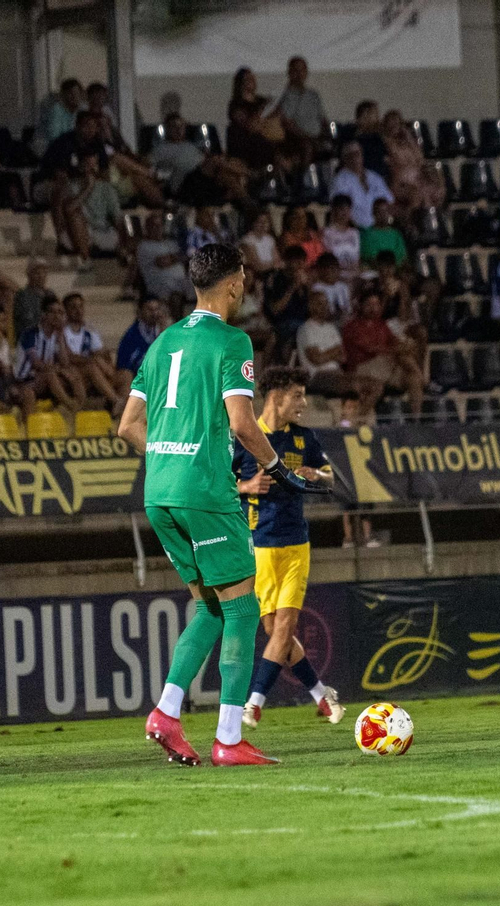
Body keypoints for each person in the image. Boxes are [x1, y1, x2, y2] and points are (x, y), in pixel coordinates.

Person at [117, 242, 319, 767]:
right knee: (243, 607)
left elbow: (128, 427)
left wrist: (169, 458)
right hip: (205, 494)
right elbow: (241, 422)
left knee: (210, 605)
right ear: (233, 283)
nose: (246, 284)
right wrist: (277, 469)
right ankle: (229, 738)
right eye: (244, 277)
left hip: (159, 492)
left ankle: (166, 713)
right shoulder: (233, 342)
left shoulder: (161, 344)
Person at [230, 365, 345, 731]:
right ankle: (321, 695)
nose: (304, 402)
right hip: (259, 544)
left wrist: (318, 476)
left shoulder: (303, 439)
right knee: (273, 632)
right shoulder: (245, 437)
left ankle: (254, 703)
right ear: (277, 396)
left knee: (285, 626)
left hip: (296, 543)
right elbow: (217, 484)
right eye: (297, 395)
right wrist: (245, 487)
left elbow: (332, 479)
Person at [331, 141, 393, 231]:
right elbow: (340, 209)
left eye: (357, 154)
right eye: (350, 155)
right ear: (344, 159)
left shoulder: (374, 177)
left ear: (362, 155)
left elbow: (389, 201)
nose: (354, 158)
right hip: (356, 230)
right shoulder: (340, 180)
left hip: (380, 228)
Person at [274, 56, 327, 150]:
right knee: (306, 147)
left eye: (303, 70)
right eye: (296, 70)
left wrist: (330, 133)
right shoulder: (284, 96)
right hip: (298, 140)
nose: (300, 74)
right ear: (289, 73)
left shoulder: (313, 95)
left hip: (319, 137)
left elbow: (323, 119)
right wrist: (307, 137)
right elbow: (287, 124)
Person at [115, 297, 167, 387]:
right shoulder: (131, 336)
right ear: (140, 311)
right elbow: (125, 366)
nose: (154, 314)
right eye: (150, 310)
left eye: (156, 309)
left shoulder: (163, 329)